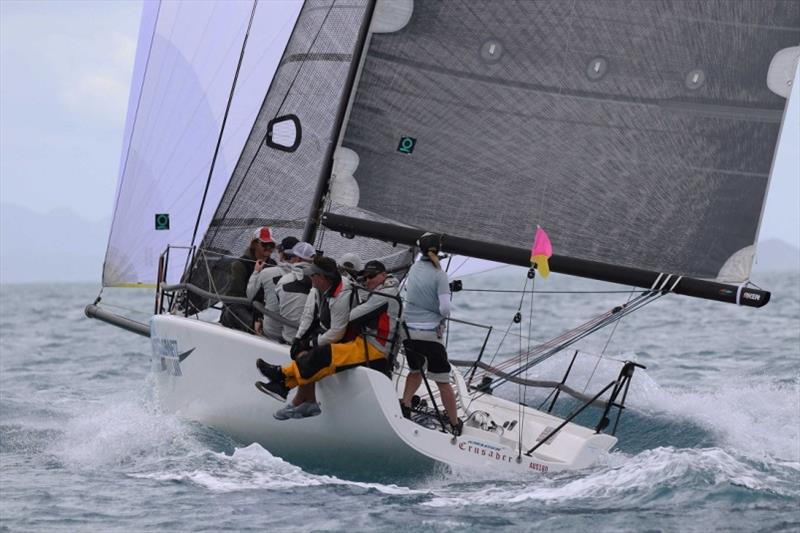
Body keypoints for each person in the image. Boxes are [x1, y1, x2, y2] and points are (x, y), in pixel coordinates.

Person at [256, 255, 354, 419]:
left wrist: (312, 342)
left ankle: (285, 385)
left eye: (313, 275)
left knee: (308, 354)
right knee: (301, 352)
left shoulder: (343, 293)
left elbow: (338, 332)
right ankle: (305, 401)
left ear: (323, 277)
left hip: (344, 341)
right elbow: (308, 316)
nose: (310, 278)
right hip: (325, 333)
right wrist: (298, 339)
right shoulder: (317, 287)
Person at [400, 232, 462, 435]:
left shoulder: (414, 268)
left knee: (416, 370)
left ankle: (406, 405)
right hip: (429, 335)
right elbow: (444, 309)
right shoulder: (439, 274)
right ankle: (454, 423)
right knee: (443, 380)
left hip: (408, 331)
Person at [220, 226, 275, 331]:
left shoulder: (274, 266)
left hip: (262, 313)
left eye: (271, 245)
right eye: (264, 244)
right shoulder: (239, 265)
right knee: (235, 309)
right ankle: (255, 328)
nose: (268, 248)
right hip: (239, 312)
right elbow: (235, 298)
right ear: (254, 244)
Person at [246, 236, 300, 341]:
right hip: (296, 336)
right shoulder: (311, 278)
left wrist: (256, 272)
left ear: (282, 254)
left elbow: (250, 296)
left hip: (271, 333)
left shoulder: (267, 272)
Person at [274, 241, 316, 342]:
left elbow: (277, 306)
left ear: (298, 259)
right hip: (310, 343)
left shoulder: (284, 280)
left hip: (288, 338)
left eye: (292, 256)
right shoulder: (320, 282)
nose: (290, 259)